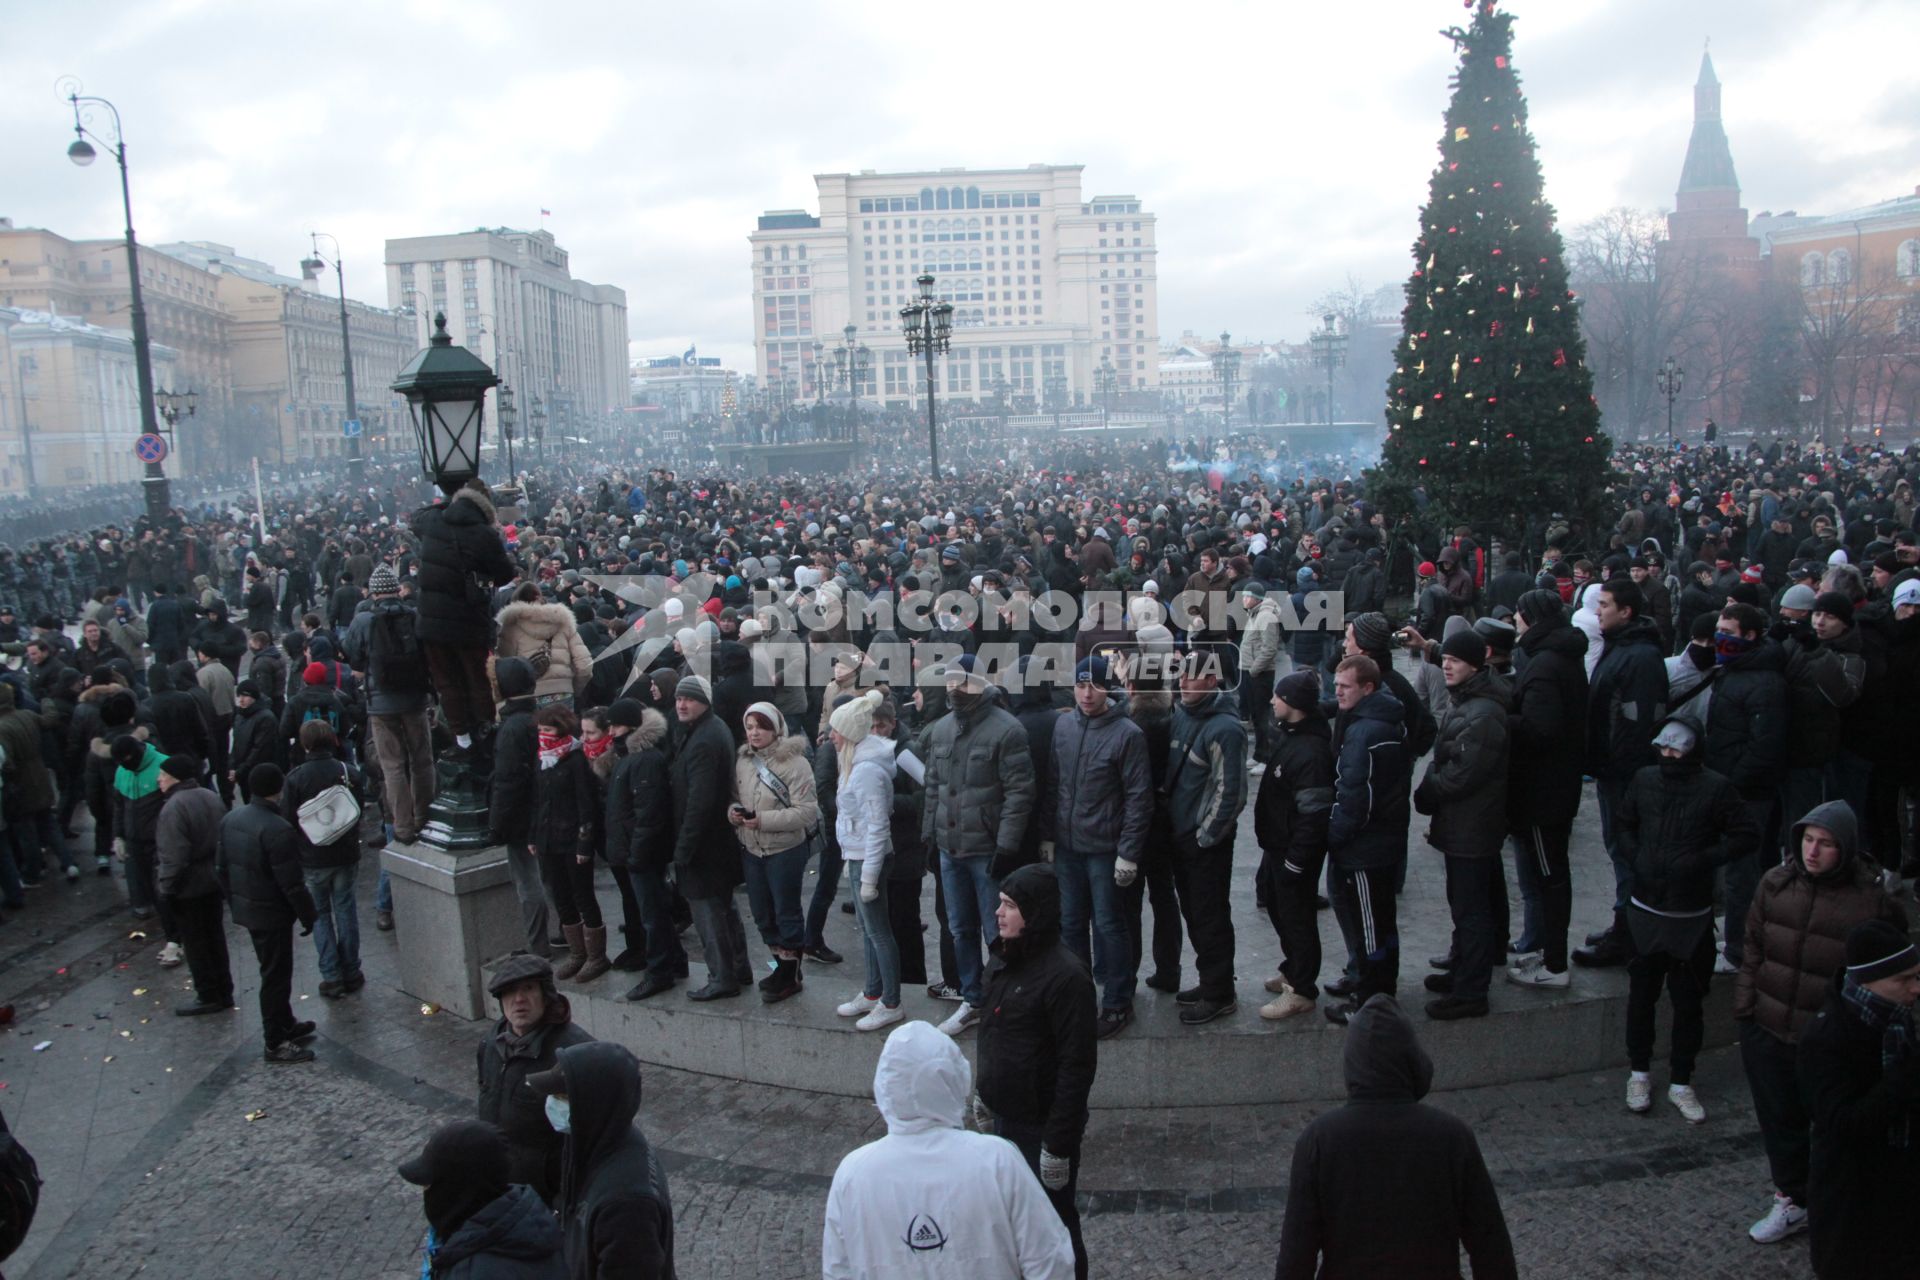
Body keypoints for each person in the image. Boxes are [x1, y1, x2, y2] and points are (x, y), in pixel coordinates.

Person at [1733, 800, 1906, 1245]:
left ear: (1844, 849)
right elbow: (1752, 945)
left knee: (1834, 1129)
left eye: (1825, 844)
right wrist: (1747, 1010)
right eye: (1808, 840)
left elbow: (1892, 972)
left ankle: (1837, 1205)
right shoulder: (1774, 884)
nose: (1812, 852)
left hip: (1827, 1039)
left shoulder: (1872, 904)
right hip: (1768, 1029)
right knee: (1780, 1122)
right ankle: (1792, 1199)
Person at [1276, 994, 1516, 1280]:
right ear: (1412, 1059)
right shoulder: (1451, 1137)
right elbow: (1490, 1248)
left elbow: (1296, 1256)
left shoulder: (1319, 1140)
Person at [823, 1020, 1073, 1280]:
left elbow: (837, 1269)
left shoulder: (854, 1172)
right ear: (954, 1078)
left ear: (884, 1085)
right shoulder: (996, 1160)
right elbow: (1050, 1259)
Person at [1616, 718, 1760, 1122]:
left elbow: (1746, 834)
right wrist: (1636, 856)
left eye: (1676, 749)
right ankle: (1639, 1072)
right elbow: (1624, 823)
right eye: (1664, 747)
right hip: (1647, 908)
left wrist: (1702, 860)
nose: (1668, 755)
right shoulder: (1644, 780)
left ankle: (1682, 1079)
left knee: (1688, 1004)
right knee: (1641, 999)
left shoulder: (1716, 787)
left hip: (1690, 915)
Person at [975, 864, 1097, 1280]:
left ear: (1035, 912)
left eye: (1010, 906)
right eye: (1000, 903)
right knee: (1009, 1222)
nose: (998, 913)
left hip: (1041, 1129)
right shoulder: (1002, 958)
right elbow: (991, 1033)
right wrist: (983, 1091)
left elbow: (1076, 1067)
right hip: (1004, 1120)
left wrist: (1057, 1145)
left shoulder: (1068, 978)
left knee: (1056, 1226)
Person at [1797, 918, 1920, 1280]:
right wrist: (1906, 1078)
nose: (1916, 989)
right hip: (1852, 1200)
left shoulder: (1895, 1019)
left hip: (1900, 1189)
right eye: (1904, 980)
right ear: (1867, 982)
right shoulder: (1826, 1039)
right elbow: (1844, 1124)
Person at [921, 654, 1035, 1036]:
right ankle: (972, 998)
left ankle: (1004, 997)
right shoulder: (941, 729)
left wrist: (1006, 846)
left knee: (997, 931)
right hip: (949, 847)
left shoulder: (1008, 730)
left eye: (962, 682)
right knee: (958, 928)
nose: (954, 689)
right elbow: (933, 789)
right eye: (949, 682)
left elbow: (1020, 793)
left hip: (986, 850)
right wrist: (929, 836)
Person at [1041, 655, 1152, 1037]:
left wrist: (1129, 852)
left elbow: (1139, 798)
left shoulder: (1128, 734)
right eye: (1081, 685)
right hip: (1069, 846)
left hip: (1106, 849)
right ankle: (1078, 996)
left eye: (1095, 686)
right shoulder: (1063, 726)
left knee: (1108, 924)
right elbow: (1055, 785)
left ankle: (1118, 1001)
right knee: (1071, 924)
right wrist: (1048, 836)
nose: (1087, 694)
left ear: (1108, 688)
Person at [1414, 629, 1511, 1021]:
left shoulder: (1484, 712)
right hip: (1468, 823)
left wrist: (1428, 787)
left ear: (1476, 663)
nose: (1446, 665)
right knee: (1467, 903)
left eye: (1455, 660)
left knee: (1471, 909)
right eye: (1445, 658)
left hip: (1474, 824)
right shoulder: (1470, 700)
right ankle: (1462, 968)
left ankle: (1471, 989)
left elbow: (1461, 774)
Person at [1576, 577, 1669, 968]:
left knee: (1627, 850)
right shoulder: (1623, 647)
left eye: (1605, 605)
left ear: (1626, 612)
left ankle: (1629, 932)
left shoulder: (1640, 656)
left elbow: (1639, 723)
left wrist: (1618, 765)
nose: (1597, 611)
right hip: (1613, 770)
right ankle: (1623, 922)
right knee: (1618, 849)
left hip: (1626, 775)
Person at [525, 1041, 675, 1279]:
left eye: (562, 1096)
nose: (552, 1102)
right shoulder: (597, 1139)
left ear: (592, 1102)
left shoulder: (625, 1203)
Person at [1504, 590, 1588, 989]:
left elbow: (1541, 729)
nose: (1515, 622)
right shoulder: (1563, 656)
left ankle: (1554, 962)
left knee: (1549, 877)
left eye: (1519, 615)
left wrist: (1505, 715)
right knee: (1550, 875)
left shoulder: (1544, 665)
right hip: (1557, 784)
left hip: (1543, 793)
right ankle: (1547, 953)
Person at [1322, 656, 1411, 1026]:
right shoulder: (1385, 721)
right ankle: (1370, 986)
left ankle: (1372, 1003)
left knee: (1371, 928)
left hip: (1366, 850)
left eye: (1345, 687)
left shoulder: (1365, 732)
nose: (1336, 692)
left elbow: (1356, 799)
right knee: (1379, 923)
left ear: (1368, 688)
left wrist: (1330, 837)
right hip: (1380, 842)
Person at [1164, 650, 1247, 1025]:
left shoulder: (1225, 728)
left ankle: (1219, 994)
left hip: (1203, 843)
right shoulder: (1183, 713)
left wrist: (1205, 836)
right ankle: (1211, 980)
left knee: (1210, 916)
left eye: (1192, 676)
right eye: (1181, 674)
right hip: (1182, 836)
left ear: (1212, 682)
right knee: (1195, 914)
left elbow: (1231, 793)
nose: (1182, 682)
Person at [215, 763, 318, 1063]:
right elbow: (292, 883)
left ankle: (285, 1022)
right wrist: (308, 915)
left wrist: (236, 902)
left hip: (249, 908)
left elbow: (221, 869)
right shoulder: (278, 829)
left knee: (272, 969)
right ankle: (275, 1040)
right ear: (279, 790)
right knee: (275, 975)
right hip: (271, 913)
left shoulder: (232, 818)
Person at [477, 954, 594, 1205]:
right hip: (498, 1187)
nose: (519, 999)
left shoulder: (575, 1052)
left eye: (528, 989)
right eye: (510, 991)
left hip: (546, 1198)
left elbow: (593, 1135)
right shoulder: (490, 1044)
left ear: (546, 995)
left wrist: (565, 1199)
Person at [412, 478, 518, 751]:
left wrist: (449, 503)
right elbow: (505, 573)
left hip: (431, 622)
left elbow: (416, 518)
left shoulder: (434, 522)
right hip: (469, 621)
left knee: (446, 681)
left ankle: (462, 737)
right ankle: (484, 729)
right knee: (476, 677)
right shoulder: (483, 534)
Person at [1253, 670, 1334, 1020]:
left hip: (1293, 852)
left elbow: (1313, 818)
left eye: (1278, 696)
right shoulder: (1294, 735)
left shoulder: (1311, 752)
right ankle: (1293, 968)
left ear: (1295, 705)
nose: (1272, 701)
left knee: (1297, 917)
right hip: (1278, 846)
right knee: (1276, 905)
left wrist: (1296, 862)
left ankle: (1302, 989)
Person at [397, 1118, 566, 1280]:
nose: (425, 1192)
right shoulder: (525, 1218)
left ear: (458, 1188)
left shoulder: (473, 1272)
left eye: (430, 1184)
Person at [729, 702, 820, 1003]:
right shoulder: (743, 761)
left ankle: (790, 972)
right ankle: (781, 964)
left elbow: (807, 812)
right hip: (751, 848)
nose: (754, 732)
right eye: (750, 726)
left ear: (776, 728)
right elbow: (734, 797)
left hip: (785, 850)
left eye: (761, 726)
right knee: (761, 913)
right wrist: (734, 813)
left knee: (786, 911)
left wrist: (763, 820)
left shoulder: (796, 763)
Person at [670, 674, 752, 1001]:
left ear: (704, 702)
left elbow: (699, 801)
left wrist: (684, 847)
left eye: (688, 698)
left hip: (704, 845)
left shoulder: (704, 738)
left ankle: (722, 976)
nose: (681, 704)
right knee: (723, 907)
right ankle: (739, 968)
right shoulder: (710, 728)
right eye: (678, 698)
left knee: (708, 913)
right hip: (716, 841)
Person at [827, 689, 905, 1032]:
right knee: (869, 931)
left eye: (835, 730)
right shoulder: (853, 763)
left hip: (868, 858)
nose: (830, 736)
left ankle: (891, 1001)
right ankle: (874, 992)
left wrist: (868, 877)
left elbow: (877, 826)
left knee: (879, 932)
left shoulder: (866, 771)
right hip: (858, 855)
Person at [343, 563, 435, 851]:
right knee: (422, 760)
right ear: (397, 590)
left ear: (373, 593)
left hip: (380, 703)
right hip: (415, 698)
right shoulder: (414, 616)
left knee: (392, 765)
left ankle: (403, 825)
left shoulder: (363, 620)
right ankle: (425, 816)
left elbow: (353, 656)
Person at [602, 700, 686, 1001]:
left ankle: (659, 971)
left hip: (642, 854)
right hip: (636, 850)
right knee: (656, 911)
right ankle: (674, 963)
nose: (611, 731)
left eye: (615, 726)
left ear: (631, 726)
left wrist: (636, 855)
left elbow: (648, 814)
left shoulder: (644, 760)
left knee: (652, 915)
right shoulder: (631, 756)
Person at [282, 720, 368, 999]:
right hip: (345, 853)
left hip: (313, 857)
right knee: (345, 909)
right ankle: (351, 969)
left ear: (305, 744)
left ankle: (331, 975)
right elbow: (358, 811)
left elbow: (288, 820)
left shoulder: (295, 778)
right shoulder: (348, 772)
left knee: (320, 914)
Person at [530, 705, 608, 983]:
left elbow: (586, 806)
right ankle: (577, 952)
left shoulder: (575, 761)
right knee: (562, 897)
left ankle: (596, 955)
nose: (543, 736)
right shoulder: (542, 758)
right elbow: (538, 801)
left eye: (548, 730)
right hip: (549, 841)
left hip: (572, 841)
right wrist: (533, 836)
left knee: (583, 896)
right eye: (540, 731)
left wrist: (584, 844)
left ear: (561, 730)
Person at [153, 753, 235, 1017]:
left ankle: (208, 994)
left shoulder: (173, 808)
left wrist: (166, 887)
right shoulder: (211, 797)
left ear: (174, 778)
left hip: (189, 886)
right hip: (214, 879)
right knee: (215, 937)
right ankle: (224, 989)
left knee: (196, 942)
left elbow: (173, 856)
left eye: (163, 775)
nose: (159, 780)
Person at [489, 657, 553, 959]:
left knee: (529, 884)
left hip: (523, 818)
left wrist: (499, 825)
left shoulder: (512, 728)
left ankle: (538, 947)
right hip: (543, 811)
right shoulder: (538, 717)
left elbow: (508, 782)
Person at [495, 581, 595, 706]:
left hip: (528, 696)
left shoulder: (510, 628)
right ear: (540, 598)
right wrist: (572, 688)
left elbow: (505, 671)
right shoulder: (564, 622)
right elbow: (585, 665)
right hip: (563, 693)